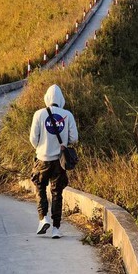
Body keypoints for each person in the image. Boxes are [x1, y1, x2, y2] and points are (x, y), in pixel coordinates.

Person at [29, 84, 78, 239]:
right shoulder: (67, 115)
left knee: (40, 188)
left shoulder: (39, 114)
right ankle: (56, 229)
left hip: (42, 159)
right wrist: (63, 143)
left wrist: (41, 148)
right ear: (61, 99)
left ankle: (43, 219)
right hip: (59, 161)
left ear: (47, 98)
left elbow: (33, 138)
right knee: (57, 193)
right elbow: (74, 138)